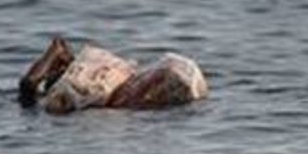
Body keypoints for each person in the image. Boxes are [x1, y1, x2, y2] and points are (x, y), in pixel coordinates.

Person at [18, 36, 209, 115]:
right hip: (104, 84)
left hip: (110, 76)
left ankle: (60, 61)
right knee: (31, 97)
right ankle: (58, 59)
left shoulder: (150, 90)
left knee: (32, 99)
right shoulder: (145, 97)